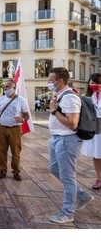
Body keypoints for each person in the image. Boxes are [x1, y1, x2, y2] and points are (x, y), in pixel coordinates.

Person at [47, 67, 94, 224]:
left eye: (50, 80)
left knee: (68, 176)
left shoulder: (69, 98)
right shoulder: (59, 96)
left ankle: (68, 212)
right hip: (57, 138)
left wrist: (54, 111)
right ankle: (81, 195)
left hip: (67, 140)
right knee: (54, 169)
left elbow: (73, 124)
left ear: (60, 81)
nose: (48, 83)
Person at [0, 79, 30, 181]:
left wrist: (22, 119)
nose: (5, 89)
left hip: (15, 129)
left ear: (14, 88)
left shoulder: (21, 100)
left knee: (16, 151)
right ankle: (2, 170)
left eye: (8, 87)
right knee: (1, 150)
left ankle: (16, 171)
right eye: (4, 87)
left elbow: (26, 115)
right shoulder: (0, 100)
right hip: (2, 128)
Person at [80, 73, 101, 190]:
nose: (95, 85)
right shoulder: (86, 97)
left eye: (98, 82)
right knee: (97, 155)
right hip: (94, 128)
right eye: (92, 83)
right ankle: (99, 178)